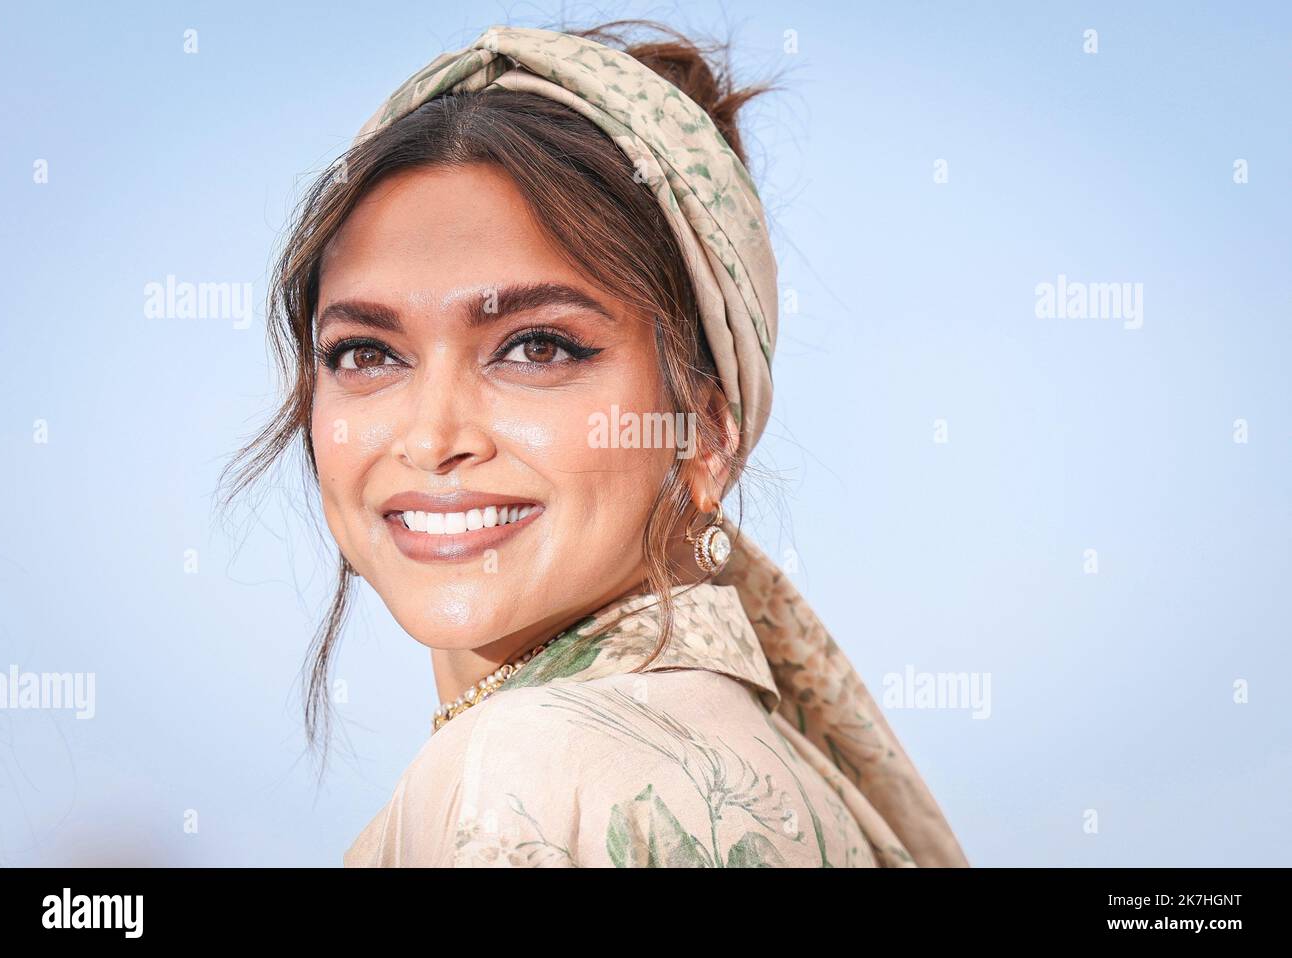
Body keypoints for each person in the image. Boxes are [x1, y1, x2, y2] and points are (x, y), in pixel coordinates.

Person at [224, 19, 970, 867]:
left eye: (537, 348)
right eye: (368, 353)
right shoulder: (760, 758)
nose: (430, 438)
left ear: (703, 434)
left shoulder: (523, 780)